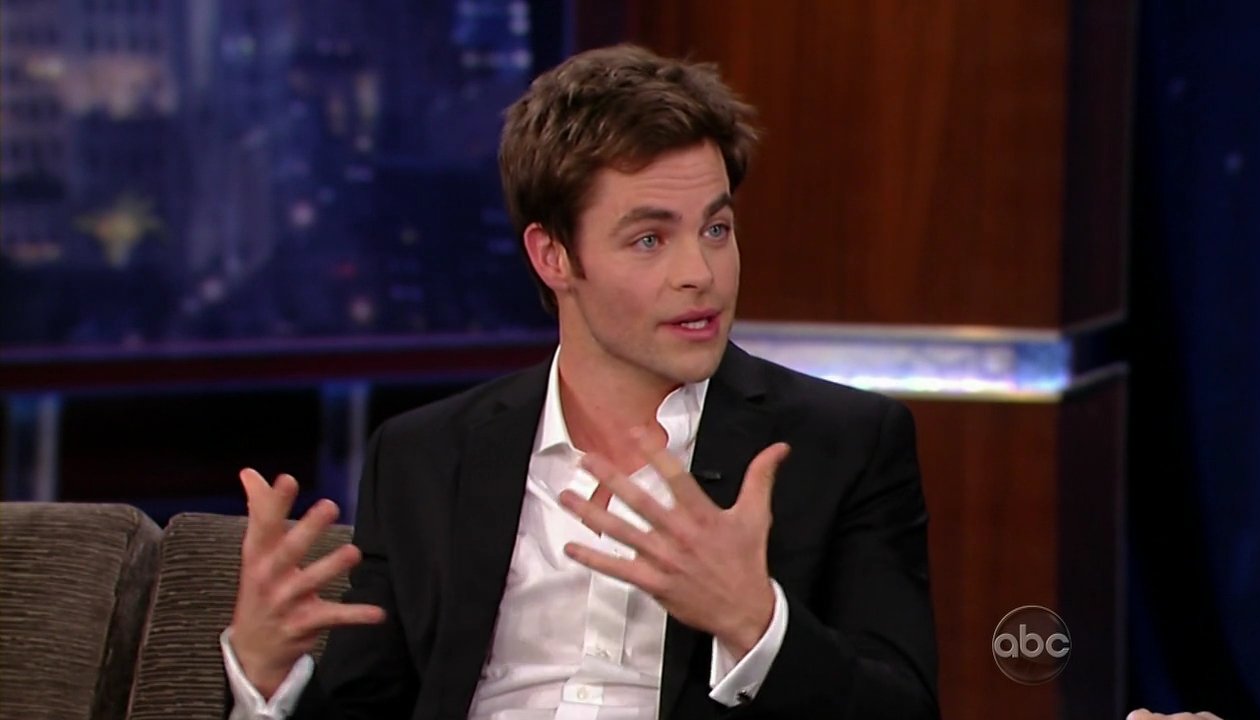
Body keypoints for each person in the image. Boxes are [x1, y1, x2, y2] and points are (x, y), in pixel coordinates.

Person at [222, 44, 939, 719]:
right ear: (554, 256)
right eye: (650, 239)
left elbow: (901, 707)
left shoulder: (841, 445)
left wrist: (754, 624)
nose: (701, 273)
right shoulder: (426, 457)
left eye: (716, 229)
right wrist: (263, 676)